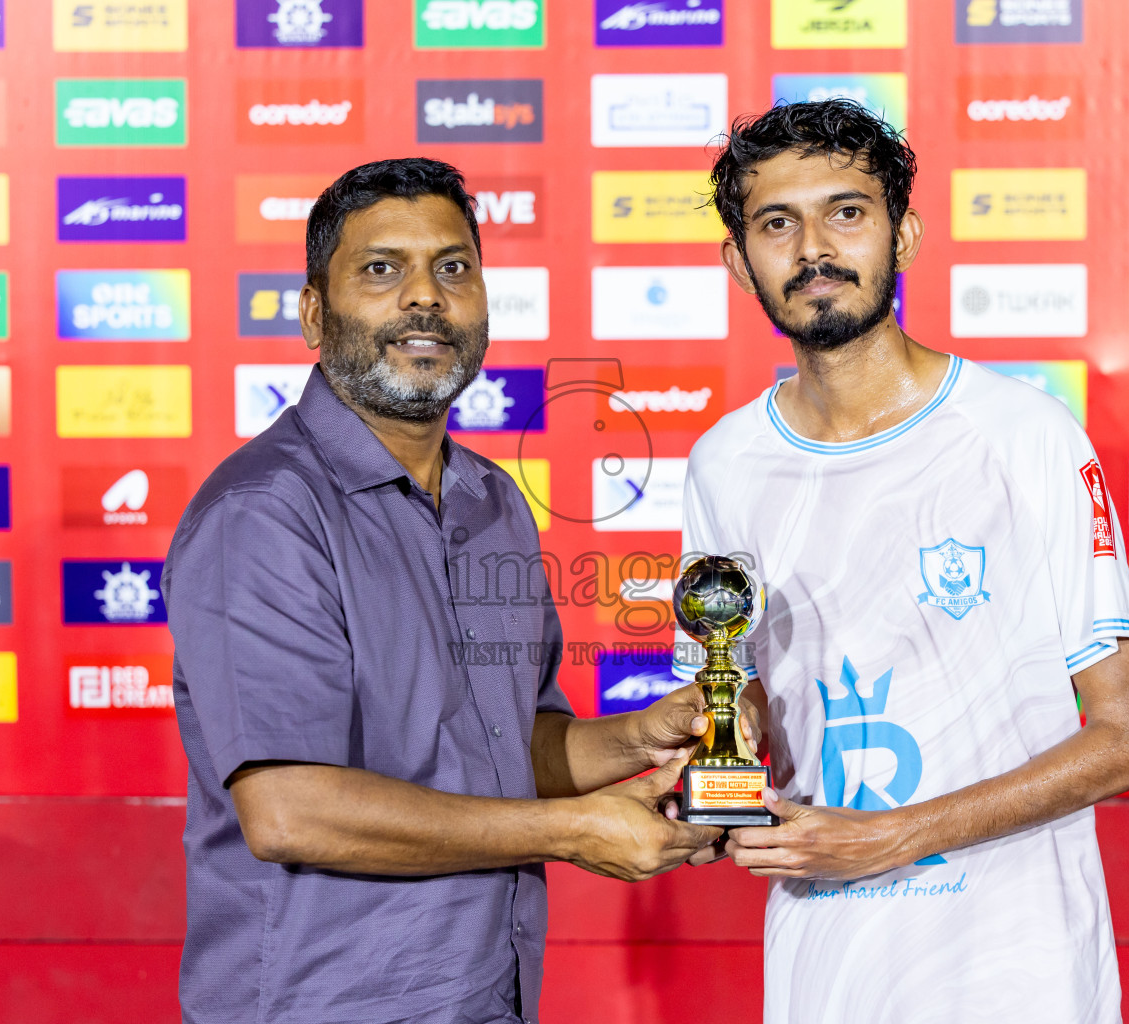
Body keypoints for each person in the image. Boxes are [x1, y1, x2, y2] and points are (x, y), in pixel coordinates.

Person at [164, 158, 725, 1024]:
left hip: (485, 994)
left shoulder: (491, 499)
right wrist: (577, 831)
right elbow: (288, 811)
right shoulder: (264, 513)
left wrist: (638, 738)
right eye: (382, 269)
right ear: (315, 312)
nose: (425, 297)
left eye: (452, 268)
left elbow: (508, 750)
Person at [670, 100, 1129, 1022]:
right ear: (740, 262)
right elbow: (733, 701)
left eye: (847, 212)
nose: (814, 247)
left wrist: (888, 838)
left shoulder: (1022, 435)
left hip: (1019, 967)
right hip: (828, 964)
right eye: (778, 223)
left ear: (904, 234)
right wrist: (710, 782)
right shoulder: (724, 463)